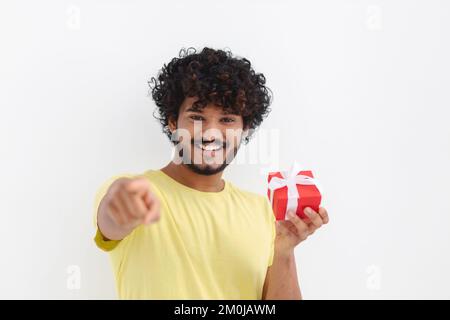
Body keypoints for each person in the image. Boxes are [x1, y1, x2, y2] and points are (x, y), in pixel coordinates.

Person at [93, 47, 329, 299]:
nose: (211, 133)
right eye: (197, 117)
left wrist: (283, 251)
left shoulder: (261, 209)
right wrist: (118, 206)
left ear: (245, 128)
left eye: (227, 120)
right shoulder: (135, 190)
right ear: (173, 122)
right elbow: (111, 220)